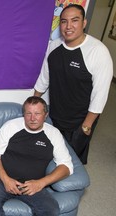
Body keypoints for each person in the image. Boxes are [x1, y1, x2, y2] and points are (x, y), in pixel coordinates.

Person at [34, 4, 113, 164]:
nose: (68, 26)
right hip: (56, 115)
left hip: (80, 121)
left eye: (74, 20)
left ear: (84, 22)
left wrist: (86, 127)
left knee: (71, 162)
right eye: (64, 21)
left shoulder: (98, 51)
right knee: (50, 155)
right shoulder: (54, 46)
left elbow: (101, 94)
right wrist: (33, 104)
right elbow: (44, 78)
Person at [0, 96, 73, 216]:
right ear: (23, 114)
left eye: (37, 113)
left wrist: (41, 183)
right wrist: (6, 179)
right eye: (28, 113)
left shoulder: (53, 134)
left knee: (51, 210)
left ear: (45, 115)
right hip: (2, 178)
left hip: (33, 184)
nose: (32, 118)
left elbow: (66, 166)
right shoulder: (11, 126)